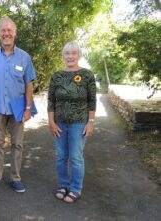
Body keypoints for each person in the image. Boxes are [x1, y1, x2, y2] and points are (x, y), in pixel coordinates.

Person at [0, 17, 36, 193]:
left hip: (18, 110)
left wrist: (28, 108)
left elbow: (29, 84)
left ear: (15, 33)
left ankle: (15, 178)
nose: (6, 33)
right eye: (3, 31)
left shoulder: (24, 57)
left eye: (9, 30)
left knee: (17, 144)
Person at [47, 41, 96, 203]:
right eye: (67, 53)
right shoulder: (56, 76)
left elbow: (92, 100)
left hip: (79, 123)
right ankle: (63, 185)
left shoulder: (87, 75)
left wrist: (91, 121)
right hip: (59, 123)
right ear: (63, 56)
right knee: (61, 157)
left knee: (75, 157)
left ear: (79, 55)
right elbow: (51, 101)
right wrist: (51, 122)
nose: (70, 56)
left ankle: (75, 189)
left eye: (73, 53)